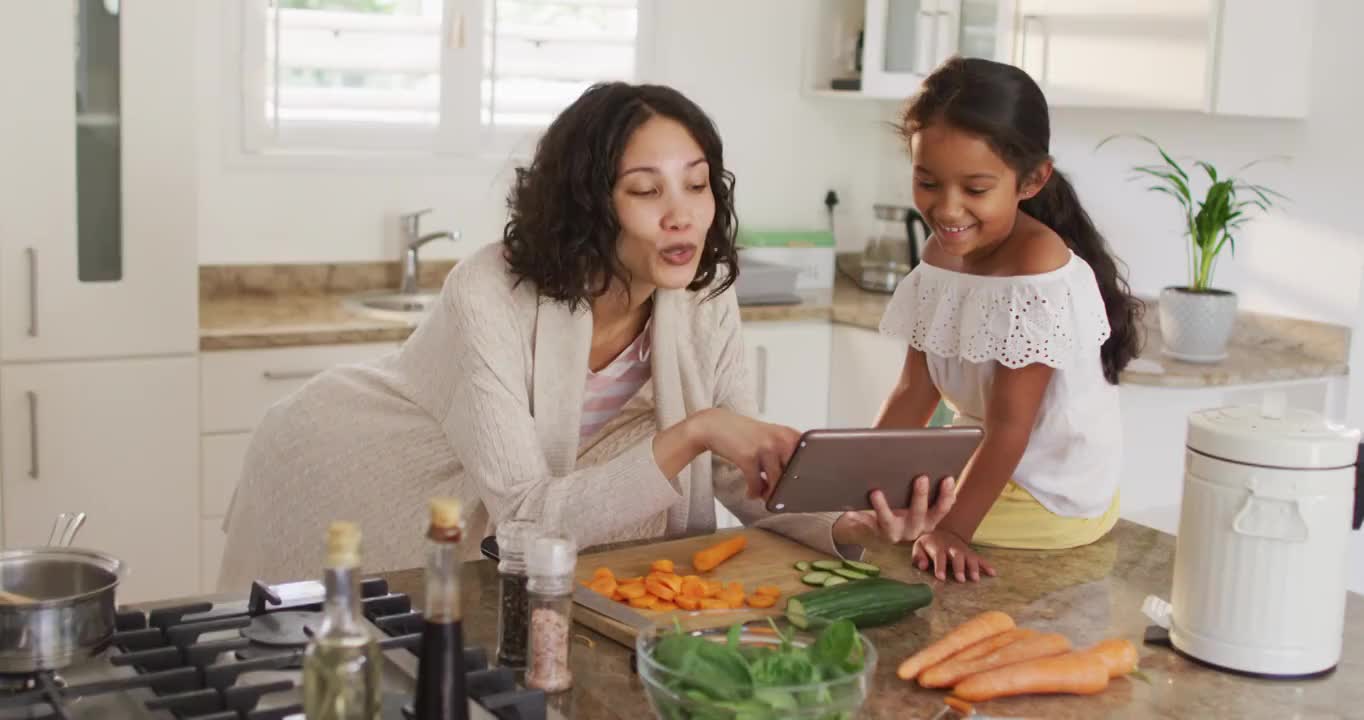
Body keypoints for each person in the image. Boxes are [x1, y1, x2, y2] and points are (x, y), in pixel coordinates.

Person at [218, 82, 949, 587]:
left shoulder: (701, 293)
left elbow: (736, 472)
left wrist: (846, 523)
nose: (683, 215)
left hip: (501, 523)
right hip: (355, 470)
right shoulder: (489, 293)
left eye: (697, 185)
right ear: (588, 205)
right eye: (645, 190)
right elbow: (531, 518)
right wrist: (694, 431)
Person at [875, 57, 1143, 583]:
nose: (948, 210)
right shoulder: (939, 256)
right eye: (927, 182)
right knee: (876, 515)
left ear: (1031, 180)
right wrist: (857, 479)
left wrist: (951, 530)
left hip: (1049, 494)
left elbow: (1009, 427)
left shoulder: (1035, 270)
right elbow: (914, 389)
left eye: (975, 190)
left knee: (898, 536)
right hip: (990, 464)